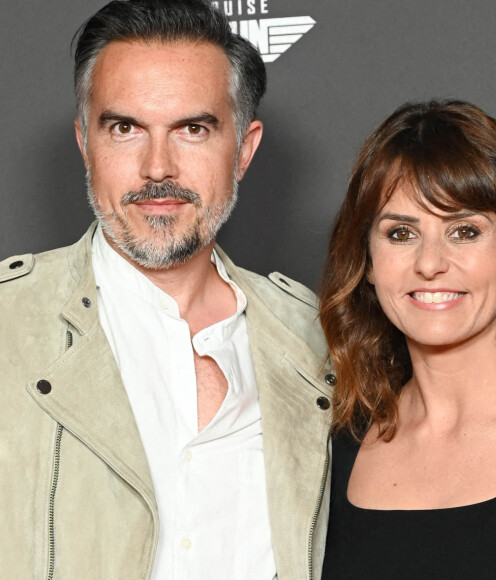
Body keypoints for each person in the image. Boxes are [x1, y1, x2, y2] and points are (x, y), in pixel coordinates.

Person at [0, 1, 334, 578]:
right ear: (86, 144)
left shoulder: (318, 342)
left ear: (245, 150)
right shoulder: (9, 324)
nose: (159, 167)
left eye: (193, 129)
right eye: (125, 128)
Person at [319, 99, 496, 578]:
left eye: (464, 231)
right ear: (368, 263)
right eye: (400, 233)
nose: (430, 262)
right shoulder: (331, 449)